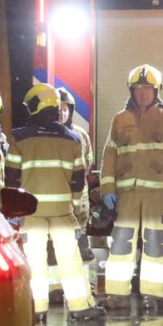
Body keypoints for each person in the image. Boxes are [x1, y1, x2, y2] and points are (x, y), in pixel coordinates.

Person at [100, 64, 163, 307]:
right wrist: (107, 189)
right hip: (127, 195)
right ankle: (117, 294)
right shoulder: (120, 120)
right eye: (138, 89)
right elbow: (109, 157)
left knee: (154, 244)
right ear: (131, 91)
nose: (142, 94)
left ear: (157, 91)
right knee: (120, 244)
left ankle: (151, 295)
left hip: (158, 196)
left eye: (147, 89)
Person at [6, 83, 98, 316]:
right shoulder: (73, 139)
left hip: (31, 214)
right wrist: (75, 210)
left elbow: (12, 179)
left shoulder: (18, 138)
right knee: (70, 260)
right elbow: (78, 182)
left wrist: (14, 213)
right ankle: (81, 308)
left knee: (35, 262)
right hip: (63, 214)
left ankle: (35, 311)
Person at [55, 86, 96, 263]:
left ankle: (86, 284)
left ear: (70, 111)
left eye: (65, 110)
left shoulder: (81, 134)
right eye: (58, 109)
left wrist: (79, 173)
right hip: (58, 199)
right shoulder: (47, 135)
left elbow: (89, 159)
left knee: (81, 240)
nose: (62, 114)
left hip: (80, 199)